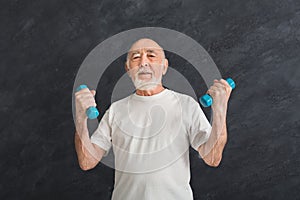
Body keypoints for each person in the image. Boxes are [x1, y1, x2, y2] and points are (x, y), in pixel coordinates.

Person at [74, 38, 232, 200]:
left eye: (151, 55)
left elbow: (212, 158)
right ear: (128, 69)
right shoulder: (116, 110)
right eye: (136, 57)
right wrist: (80, 119)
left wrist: (220, 110)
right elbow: (87, 162)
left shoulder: (186, 105)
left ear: (164, 66)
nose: (143, 62)